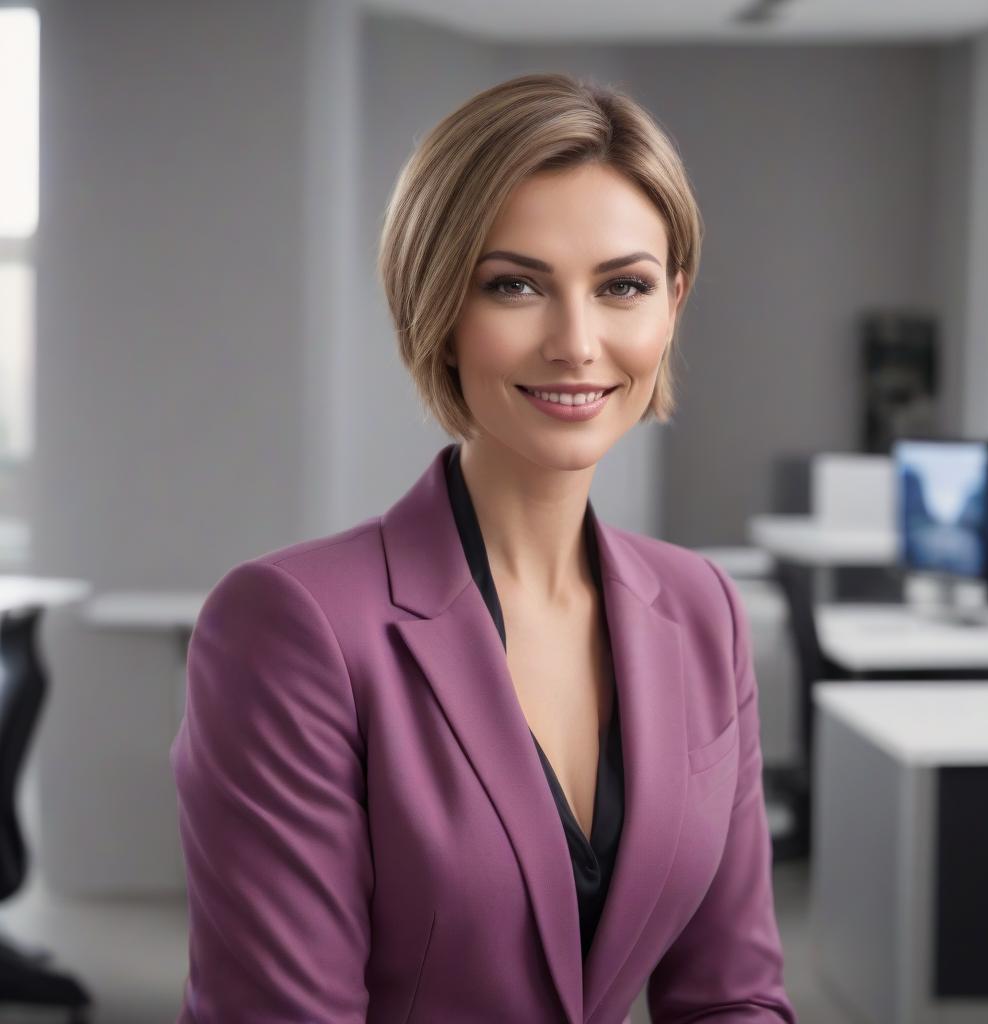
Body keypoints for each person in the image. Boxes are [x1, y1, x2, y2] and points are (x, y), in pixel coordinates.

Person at [170, 71, 797, 1024]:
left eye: (622, 286)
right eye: (515, 285)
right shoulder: (293, 627)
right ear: (439, 306)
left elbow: (733, 998)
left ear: (672, 303)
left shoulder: (703, 608)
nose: (577, 343)